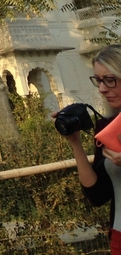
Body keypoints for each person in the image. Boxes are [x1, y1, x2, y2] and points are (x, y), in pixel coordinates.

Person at [60, 44, 121, 255]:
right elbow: (98, 195)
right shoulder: (107, 128)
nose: (103, 88)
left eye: (110, 80)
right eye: (99, 80)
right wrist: (74, 142)